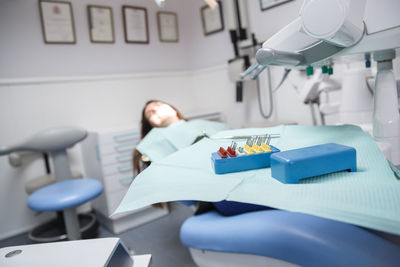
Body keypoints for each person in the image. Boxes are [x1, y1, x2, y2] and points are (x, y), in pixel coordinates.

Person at [133, 100, 270, 216]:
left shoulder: (202, 125)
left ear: (174, 110)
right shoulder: (154, 144)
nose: (156, 110)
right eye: (150, 113)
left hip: (247, 172)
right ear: (151, 125)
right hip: (221, 192)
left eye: (159, 105)